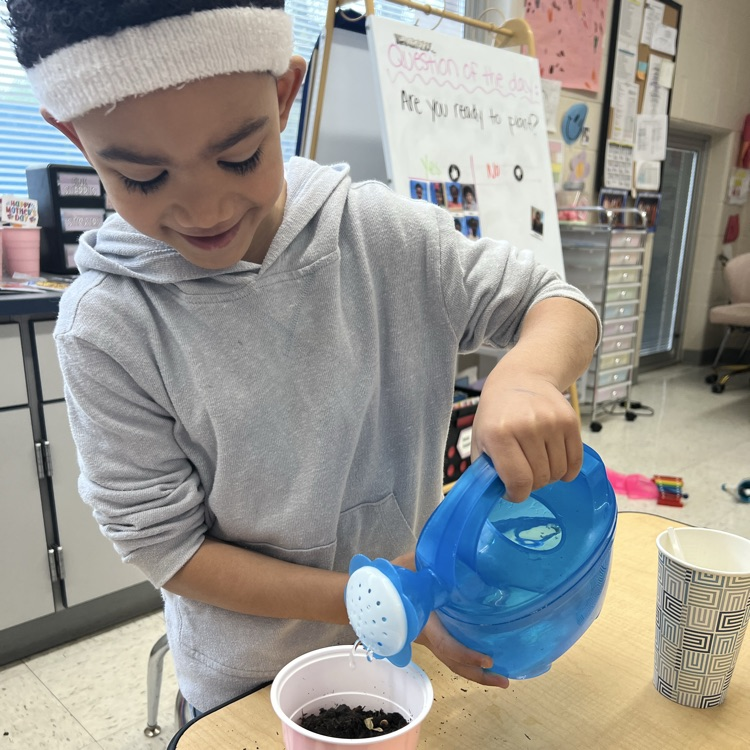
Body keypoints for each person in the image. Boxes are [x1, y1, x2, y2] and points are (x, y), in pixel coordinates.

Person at [7, 0, 600, 715]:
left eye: (238, 157)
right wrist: (379, 599)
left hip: (405, 653)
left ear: (285, 93)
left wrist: (528, 372)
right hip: (244, 686)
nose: (204, 210)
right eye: (143, 178)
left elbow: (554, 302)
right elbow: (170, 551)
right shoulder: (108, 326)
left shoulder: (388, 237)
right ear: (75, 137)